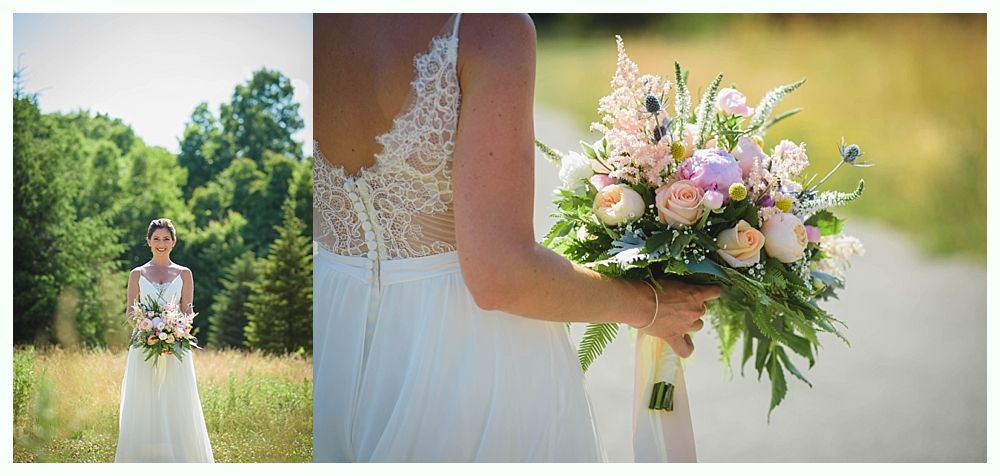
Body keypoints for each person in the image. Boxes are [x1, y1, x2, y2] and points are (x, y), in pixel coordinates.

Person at [313, 13, 719, 462]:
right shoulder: (489, 28)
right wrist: (653, 306)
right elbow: (500, 275)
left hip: (331, 330)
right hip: (464, 356)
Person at [115, 218, 214, 463]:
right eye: (156, 239)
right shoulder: (137, 274)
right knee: (144, 397)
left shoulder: (184, 274)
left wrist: (175, 330)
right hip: (143, 345)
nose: (161, 243)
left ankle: (178, 457)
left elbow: (188, 310)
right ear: (148, 241)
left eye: (166, 239)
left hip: (176, 347)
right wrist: (149, 328)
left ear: (174, 241)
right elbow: (129, 313)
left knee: (176, 397)